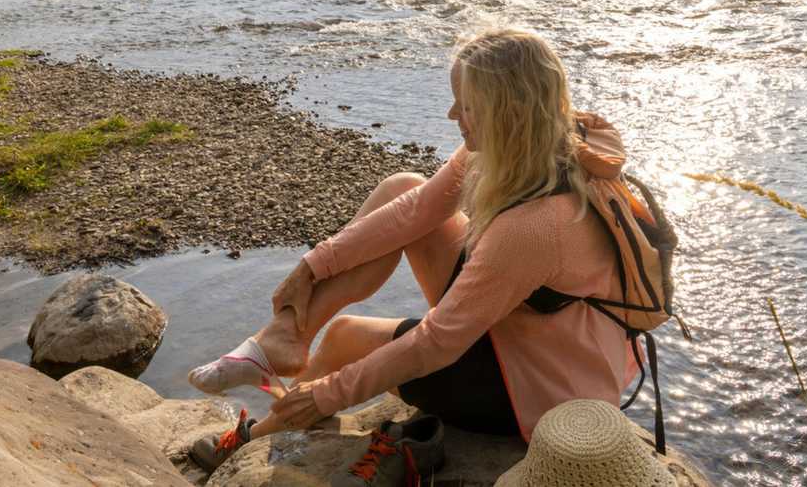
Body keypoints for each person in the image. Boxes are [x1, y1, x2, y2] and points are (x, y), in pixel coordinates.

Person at [187, 28, 642, 457]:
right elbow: (415, 211)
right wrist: (311, 266)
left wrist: (326, 395)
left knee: (346, 338)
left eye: (465, 105)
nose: (451, 115)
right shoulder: (543, 144)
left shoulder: (535, 227)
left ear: (507, 111)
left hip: (544, 392)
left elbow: (435, 342)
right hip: (535, 329)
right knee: (402, 187)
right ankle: (281, 340)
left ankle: (259, 433)